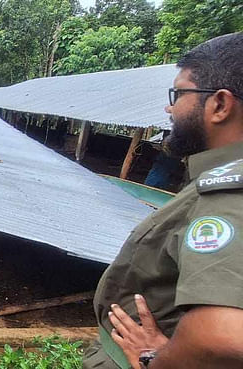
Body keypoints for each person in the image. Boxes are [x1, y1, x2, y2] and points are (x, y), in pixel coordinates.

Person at [82, 32, 243, 369]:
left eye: (180, 93)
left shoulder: (227, 189)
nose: (170, 106)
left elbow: (221, 337)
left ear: (220, 105)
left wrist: (156, 360)